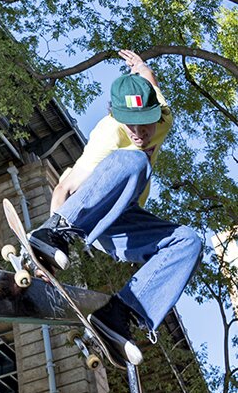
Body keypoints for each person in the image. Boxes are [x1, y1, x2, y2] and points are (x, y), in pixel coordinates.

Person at [28, 48, 203, 365]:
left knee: (189, 241)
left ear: (155, 113)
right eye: (130, 125)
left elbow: (151, 84)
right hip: (92, 212)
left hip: (126, 220)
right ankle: (56, 232)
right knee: (135, 161)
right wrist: (46, 253)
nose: (139, 133)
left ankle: (119, 313)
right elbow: (66, 188)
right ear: (118, 117)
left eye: (145, 124)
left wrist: (142, 68)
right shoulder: (108, 135)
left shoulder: (163, 118)